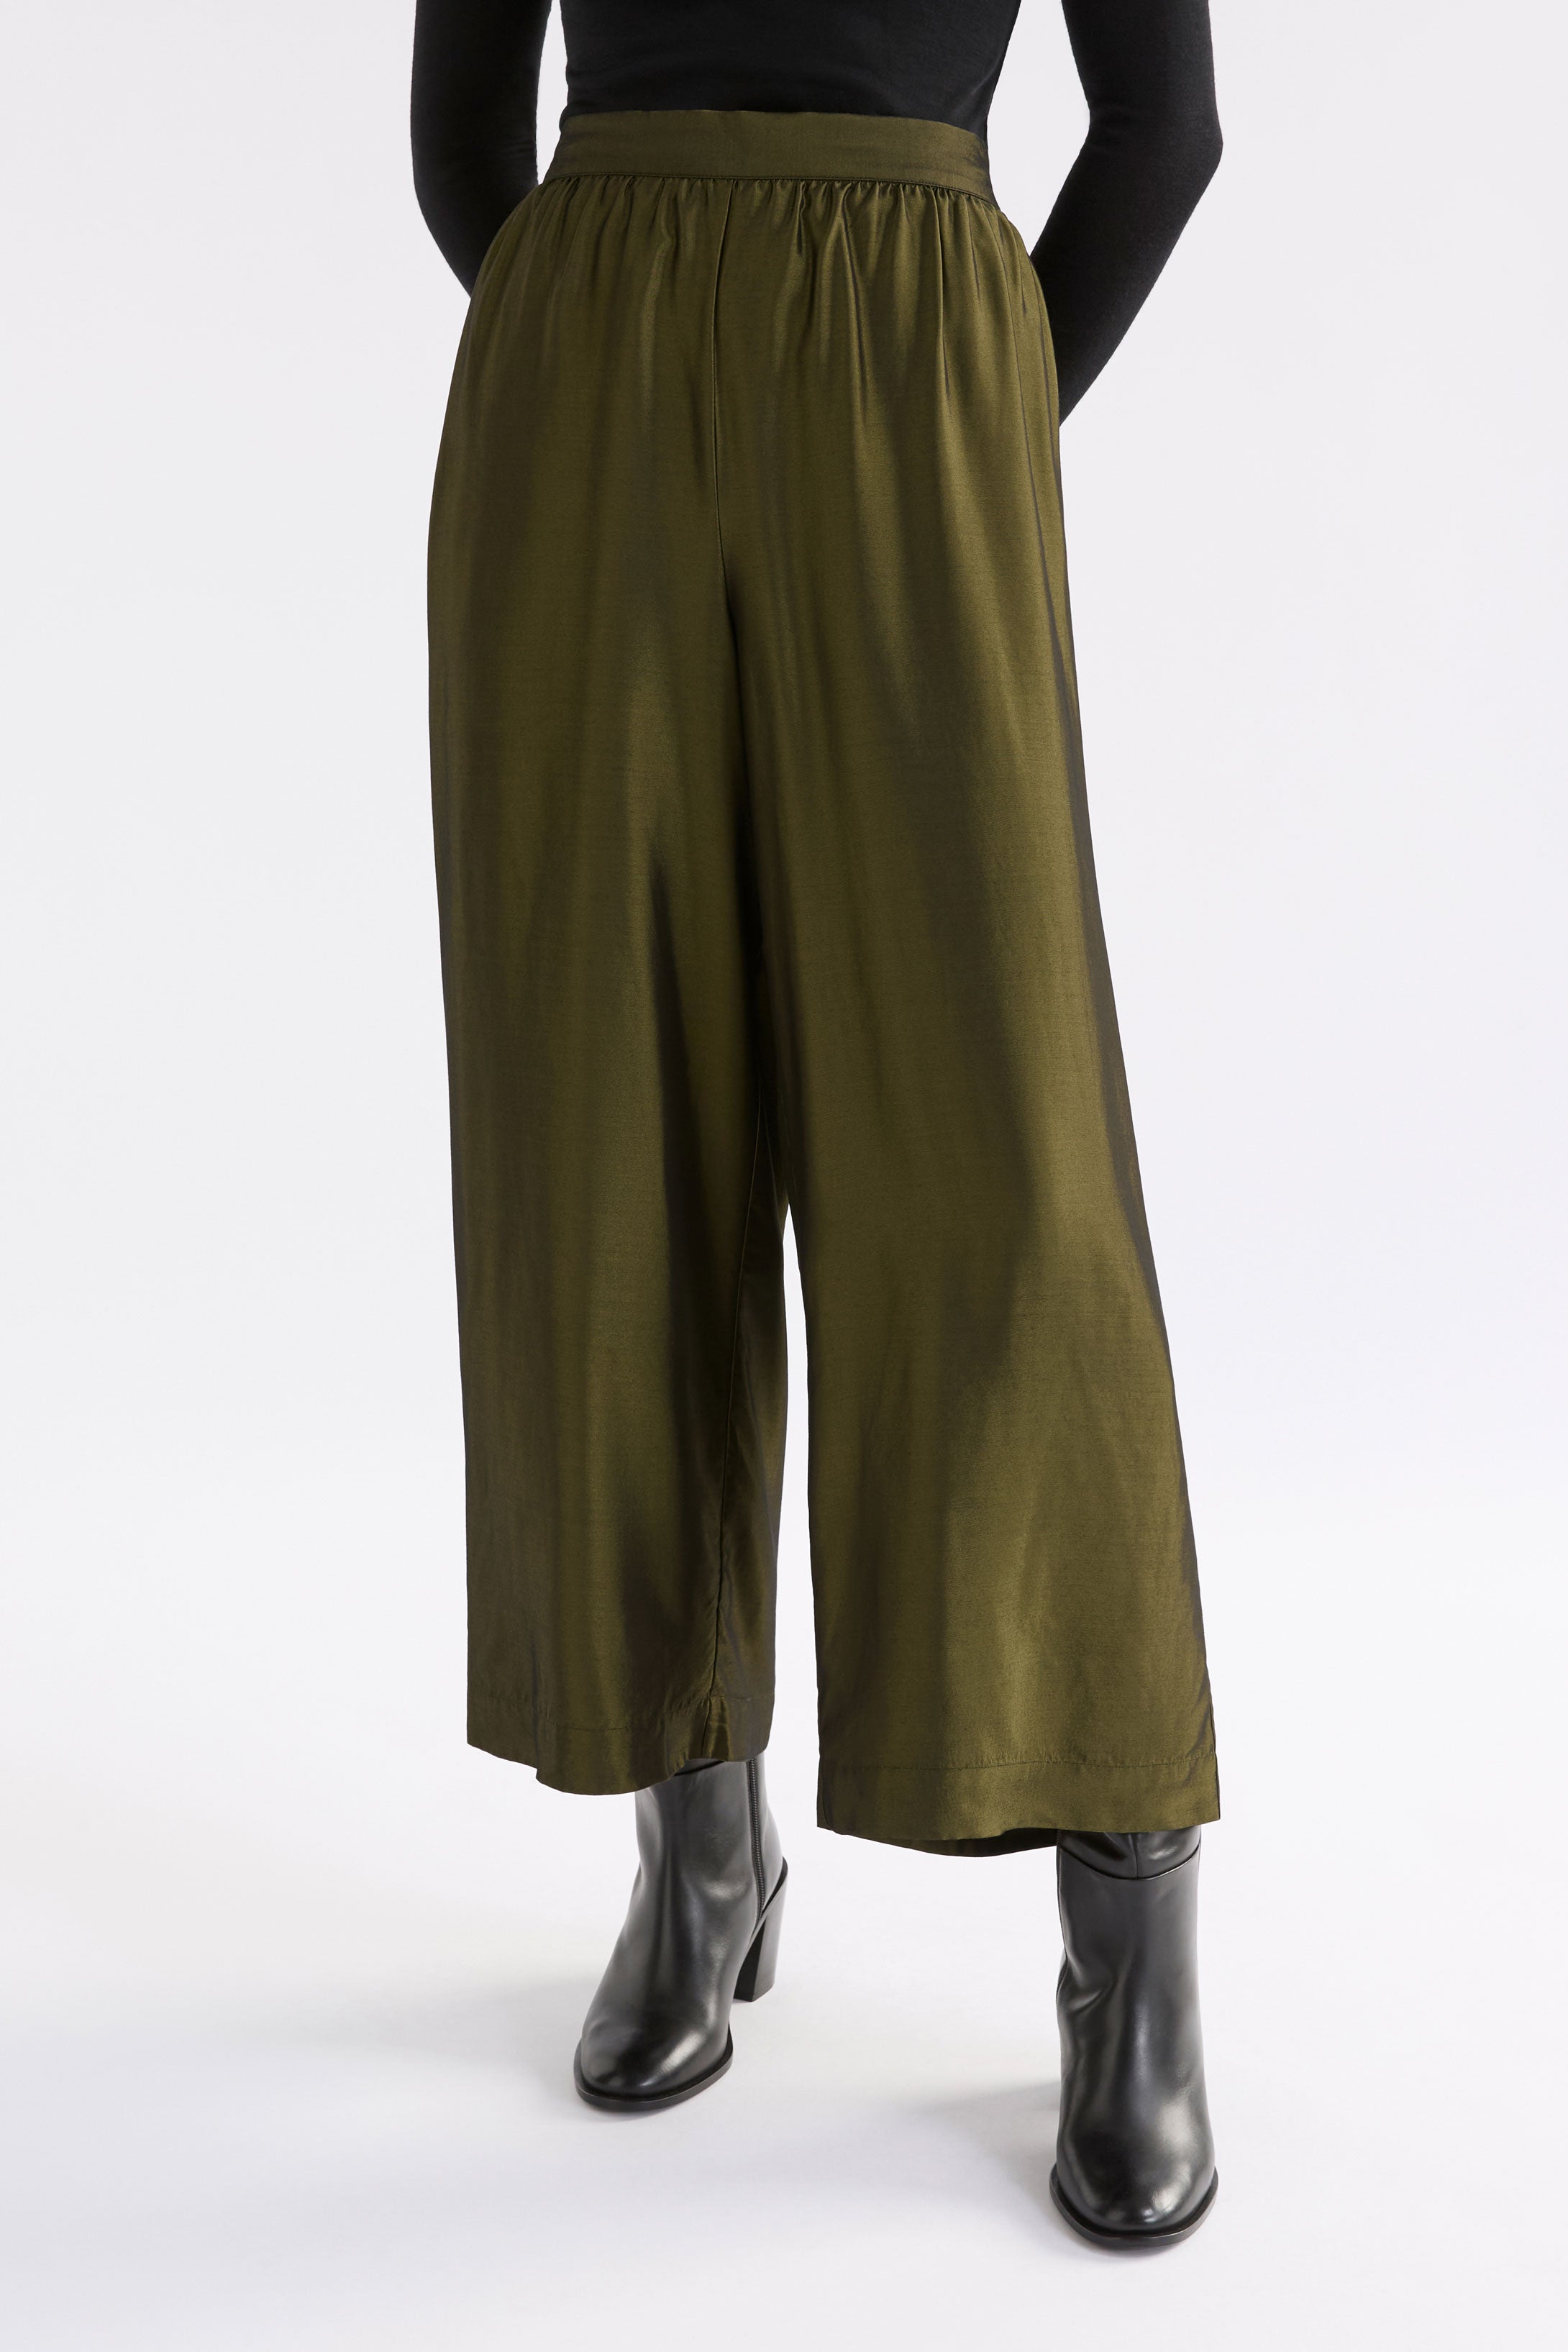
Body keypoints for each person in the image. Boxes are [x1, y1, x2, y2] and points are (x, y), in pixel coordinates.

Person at [411, 0, 1223, 2248]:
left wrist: (966, 392)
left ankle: (1128, 1919)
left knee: (1002, 1160)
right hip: (588, 389)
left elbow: (1162, 125)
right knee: (600, 1120)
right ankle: (694, 1836)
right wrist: (613, 350)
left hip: (912, 355)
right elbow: (462, 123)